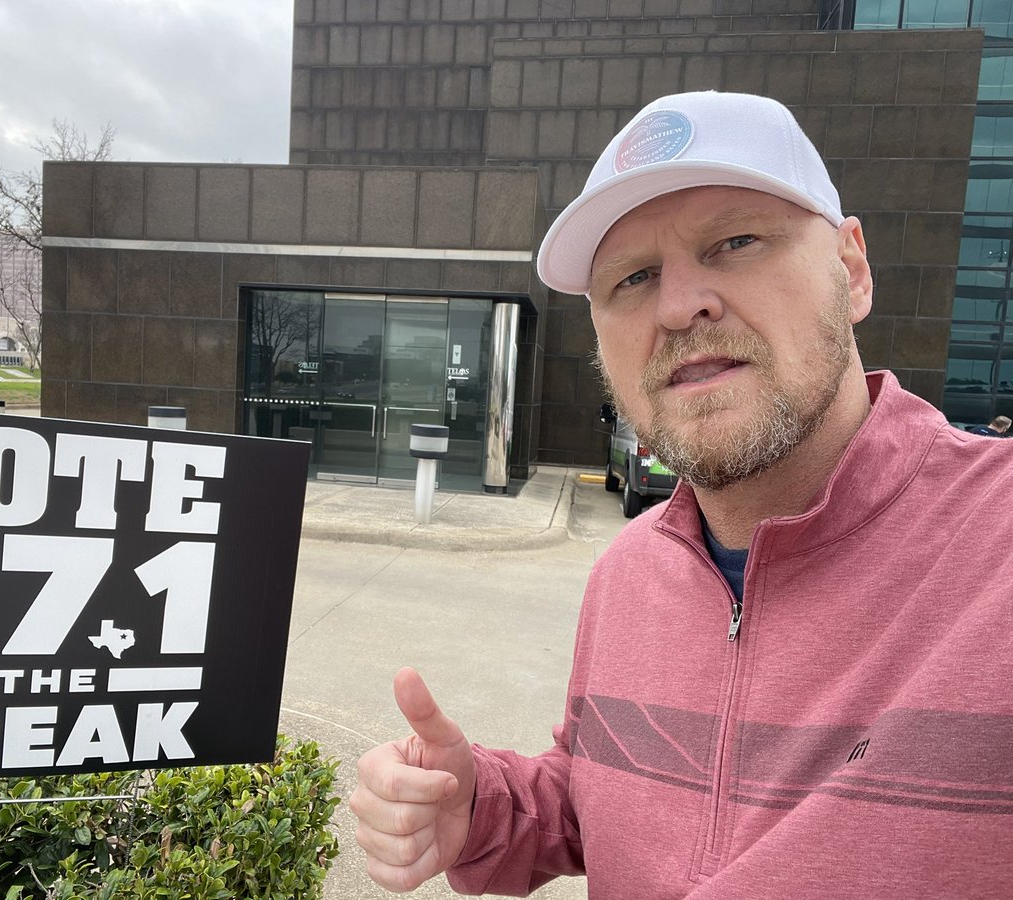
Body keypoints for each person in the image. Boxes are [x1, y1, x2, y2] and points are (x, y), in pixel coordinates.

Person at [349, 91, 1013, 897]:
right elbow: (599, 795)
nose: (677, 305)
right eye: (632, 278)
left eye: (735, 241)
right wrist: (482, 806)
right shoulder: (625, 573)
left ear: (851, 269)